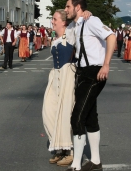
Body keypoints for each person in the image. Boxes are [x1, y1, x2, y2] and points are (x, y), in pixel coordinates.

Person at [64, 0, 116, 171]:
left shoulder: (92, 21)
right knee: (90, 116)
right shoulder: (76, 25)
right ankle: (95, 161)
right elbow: (63, 33)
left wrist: (106, 65)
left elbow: (111, 37)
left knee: (77, 116)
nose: (66, 10)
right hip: (81, 73)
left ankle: (76, 165)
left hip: (95, 72)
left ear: (77, 7)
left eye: (68, 7)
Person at [42, 10, 76, 167]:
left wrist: (86, 13)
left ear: (64, 22)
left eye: (55, 19)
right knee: (48, 112)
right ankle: (60, 146)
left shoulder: (71, 33)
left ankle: (69, 151)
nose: (52, 21)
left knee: (65, 114)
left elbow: (81, 24)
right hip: (54, 77)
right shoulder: (54, 39)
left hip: (67, 76)